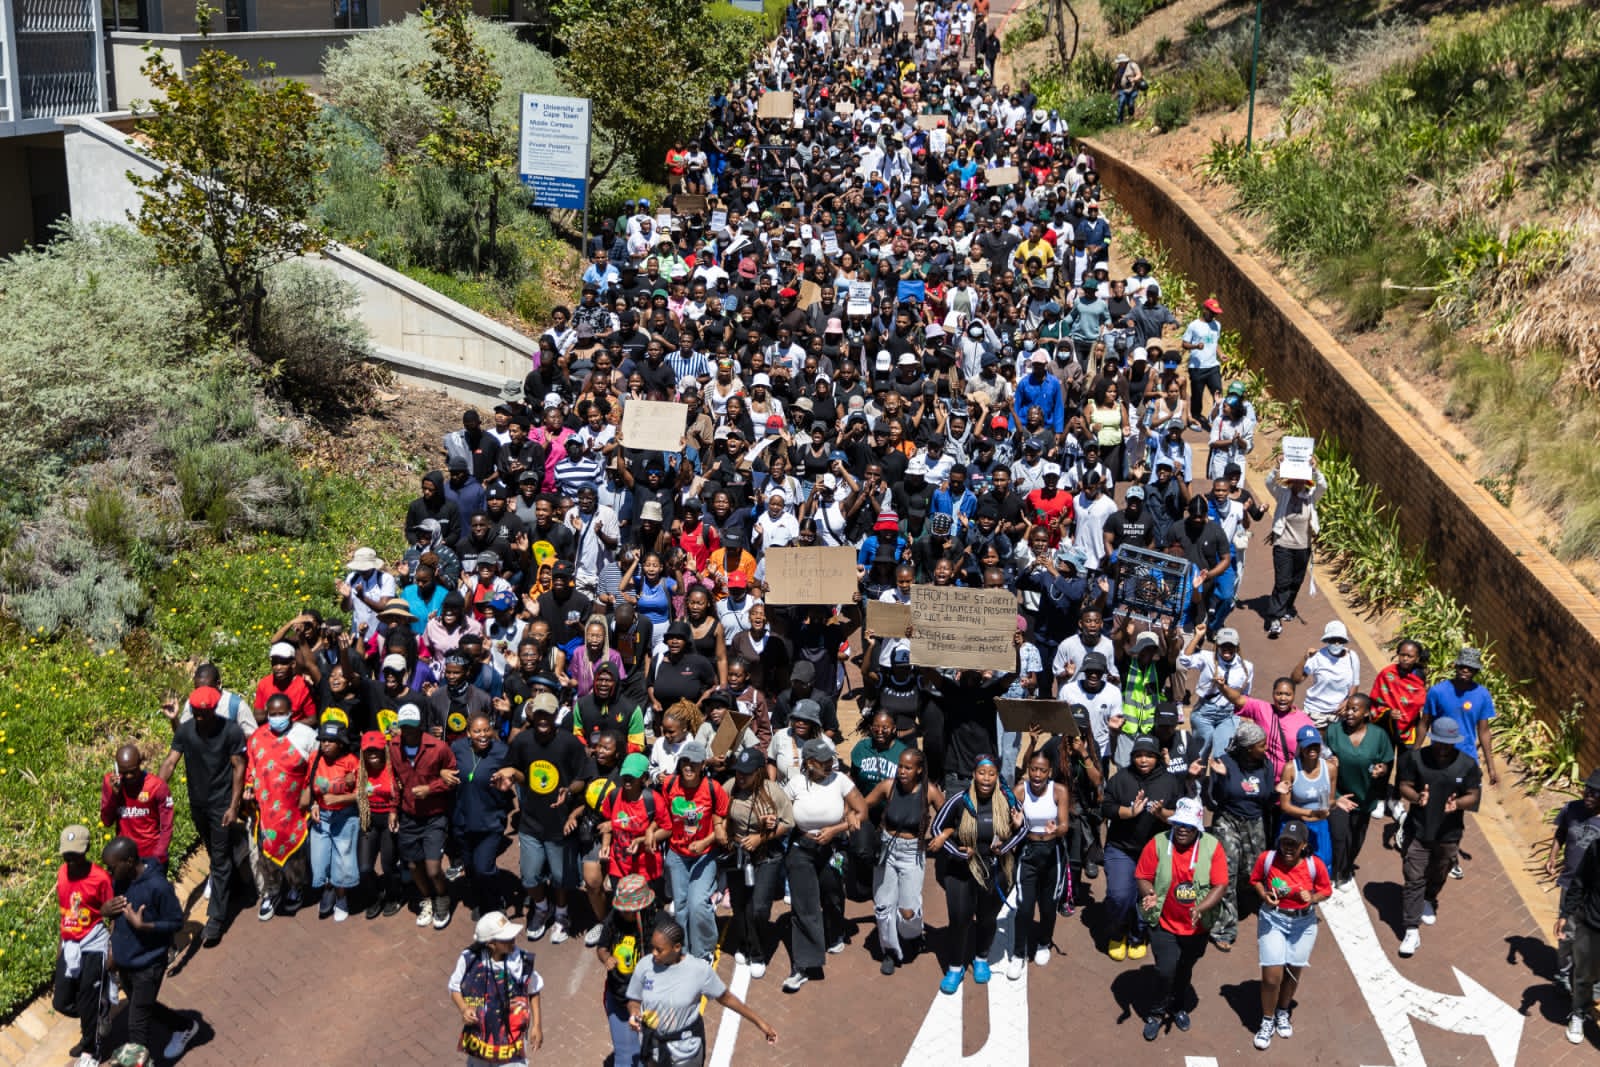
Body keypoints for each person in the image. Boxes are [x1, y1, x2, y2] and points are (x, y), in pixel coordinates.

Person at [495, 693, 588, 942]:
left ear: (556, 715)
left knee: (559, 877)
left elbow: (582, 778)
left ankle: (561, 914)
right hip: (531, 822)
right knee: (529, 875)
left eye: (548, 714)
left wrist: (569, 790)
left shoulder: (570, 744)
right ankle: (542, 907)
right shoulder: (522, 741)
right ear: (532, 715)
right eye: (539, 714)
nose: (543, 719)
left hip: (560, 823)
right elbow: (519, 773)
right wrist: (510, 774)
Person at [929, 754, 1025, 993]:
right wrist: (961, 854)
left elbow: (1024, 829)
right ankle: (955, 966)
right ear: (974, 774)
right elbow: (936, 827)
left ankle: (981, 957)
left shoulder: (1007, 798)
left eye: (991, 773)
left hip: (995, 868)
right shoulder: (959, 801)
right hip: (961, 870)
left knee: (987, 917)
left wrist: (1004, 845)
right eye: (982, 773)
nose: (986, 778)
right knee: (959, 918)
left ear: (996, 776)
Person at [158, 685, 245, 947]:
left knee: (218, 859)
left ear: (214, 710)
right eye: (195, 712)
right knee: (215, 850)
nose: (199, 718)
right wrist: (155, 792)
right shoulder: (186, 730)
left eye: (204, 713)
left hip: (221, 804)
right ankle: (237, 878)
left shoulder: (231, 731)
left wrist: (233, 806)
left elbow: (239, 769)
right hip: (198, 804)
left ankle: (215, 921)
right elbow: (170, 762)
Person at [1135, 797, 1227, 1041]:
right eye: (1178, 824)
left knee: (1185, 969)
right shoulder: (1157, 843)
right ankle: (1155, 1012)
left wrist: (1201, 908)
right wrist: (1150, 894)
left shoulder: (1213, 847)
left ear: (1197, 827)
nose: (1182, 829)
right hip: (1165, 923)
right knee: (1166, 969)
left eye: (1188, 825)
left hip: (1197, 928)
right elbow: (1143, 876)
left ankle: (1177, 1006)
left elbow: (1220, 885)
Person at [100, 836, 199, 1063]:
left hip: (148, 965)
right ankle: (184, 1026)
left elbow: (176, 922)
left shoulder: (158, 887)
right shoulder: (120, 879)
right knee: (144, 1008)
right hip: (126, 962)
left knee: (136, 1028)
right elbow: (115, 913)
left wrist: (144, 926)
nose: (109, 871)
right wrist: (105, 910)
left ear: (129, 861)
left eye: (112, 866)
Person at [627, 918, 778, 1065]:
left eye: (659, 950)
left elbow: (726, 998)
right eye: (652, 947)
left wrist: (760, 1022)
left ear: (677, 947)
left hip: (685, 1054)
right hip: (653, 1049)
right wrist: (634, 1012)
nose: (653, 953)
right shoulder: (645, 965)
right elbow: (634, 999)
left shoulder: (699, 970)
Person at [782, 737, 867, 993]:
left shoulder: (840, 780)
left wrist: (837, 828)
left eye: (831, 759)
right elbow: (783, 814)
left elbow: (861, 810)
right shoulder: (795, 784)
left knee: (832, 893)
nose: (830, 764)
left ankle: (835, 930)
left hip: (832, 847)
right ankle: (804, 965)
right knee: (804, 905)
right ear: (809, 763)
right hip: (802, 849)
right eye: (823, 761)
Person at [1394, 717, 1481, 957]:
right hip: (1418, 830)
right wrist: (1416, 797)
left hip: (1448, 834)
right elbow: (1404, 785)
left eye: (1448, 743)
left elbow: (1473, 795)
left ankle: (1430, 897)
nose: (1443, 747)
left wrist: (1458, 804)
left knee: (1439, 870)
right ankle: (1411, 929)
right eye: (1439, 742)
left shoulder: (1467, 765)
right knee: (1413, 877)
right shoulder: (1416, 758)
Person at [1248, 819, 1333, 1050]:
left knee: (1293, 972)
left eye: (1293, 844)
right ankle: (1267, 1021)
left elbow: (1326, 890)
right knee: (1271, 975)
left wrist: (1313, 898)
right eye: (1284, 842)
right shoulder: (1267, 859)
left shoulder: (1315, 865)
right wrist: (1264, 895)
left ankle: (1282, 1011)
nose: (1287, 848)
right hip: (1273, 919)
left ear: (1304, 845)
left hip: (1303, 923)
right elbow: (1255, 880)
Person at [862, 747, 944, 975]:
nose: (902, 771)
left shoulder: (929, 791)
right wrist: (852, 816)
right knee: (883, 907)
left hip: (912, 853)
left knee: (908, 910)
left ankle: (912, 935)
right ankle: (889, 951)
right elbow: (862, 805)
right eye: (900, 766)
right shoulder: (888, 786)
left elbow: (949, 817)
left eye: (908, 768)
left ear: (919, 770)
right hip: (887, 850)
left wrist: (943, 836)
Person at [1099, 735, 1181, 961]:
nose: (1143, 760)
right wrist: (1130, 812)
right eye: (1138, 755)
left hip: (1155, 852)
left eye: (1149, 756)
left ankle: (1138, 936)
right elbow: (1106, 807)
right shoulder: (1121, 778)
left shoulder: (1171, 781)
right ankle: (1118, 934)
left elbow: (1183, 814)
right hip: (1121, 848)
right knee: (1119, 895)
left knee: (1148, 897)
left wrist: (1162, 814)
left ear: (1157, 758)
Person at [723, 747, 795, 979]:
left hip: (766, 856)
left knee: (759, 908)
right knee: (739, 904)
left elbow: (788, 823)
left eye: (747, 773)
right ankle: (744, 944)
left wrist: (762, 836)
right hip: (737, 853)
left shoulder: (773, 792)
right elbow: (718, 812)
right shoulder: (729, 787)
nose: (741, 777)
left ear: (759, 772)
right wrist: (721, 832)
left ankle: (758, 953)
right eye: (738, 772)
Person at [655, 740, 729, 962]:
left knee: (698, 905)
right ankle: (684, 950)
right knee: (681, 908)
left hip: (704, 856)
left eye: (694, 763)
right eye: (685, 761)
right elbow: (662, 818)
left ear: (702, 765)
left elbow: (723, 820)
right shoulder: (669, 785)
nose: (689, 767)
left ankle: (704, 951)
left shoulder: (712, 788)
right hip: (677, 855)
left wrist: (706, 841)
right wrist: (651, 833)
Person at [389, 702, 459, 930]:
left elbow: (453, 778)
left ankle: (442, 897)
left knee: (433, 868)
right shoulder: (394, 746)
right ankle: (426, 899)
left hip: (433, 816)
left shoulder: (438, 748)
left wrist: (431, 788)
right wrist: (393, 809)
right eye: (404, 727)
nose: (408, 731)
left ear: (420, 726)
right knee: (413, 866)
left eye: (412, 726)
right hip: (409, 815)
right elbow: (394, 781)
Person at [449, 911, 544, 1066]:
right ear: (491, 943)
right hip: (479, 1042)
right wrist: (464, 1008)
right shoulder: (469, 959)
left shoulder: (520, 960)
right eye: (506, 938)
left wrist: (537, 1026)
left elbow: (534, 990)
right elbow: (454, 987)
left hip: (511, 1044)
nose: (513, 939)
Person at [54, 825, 112, 1067]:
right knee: (62, 1001)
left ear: (86, 849)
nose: (70, 860)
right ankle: (97, 1012)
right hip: (70, 942)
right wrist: (61, 943)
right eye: (66, 854)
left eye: (74, 854)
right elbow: (65, 912)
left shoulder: (100, 878)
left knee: (87, 997)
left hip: (93, 942)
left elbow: (114, 912)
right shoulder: (61, 873)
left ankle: (92, 1049)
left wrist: (112, 950)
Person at [1324, 694, 1394, 887]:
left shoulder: (1379, 736)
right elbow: (1323, 760)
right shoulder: (1334, 731)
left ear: (1366, 713)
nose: (1349, 713)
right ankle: (1333, 874)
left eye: (1355, 709)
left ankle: (1345, 871)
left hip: (1365, 798)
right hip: (1339, 795)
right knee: (1339, 837)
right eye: (1348, 708)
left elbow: (1386, 762)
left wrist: (1382, 770)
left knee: (1355, 839)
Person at [450, 712, 514, 920]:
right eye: (477, 731)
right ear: (469, 733)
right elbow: (445, 767)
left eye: (486, 729)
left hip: (490, 821)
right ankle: (480, 900)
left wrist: (507, 783)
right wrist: (443, 773)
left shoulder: (502, 752)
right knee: (470, 868)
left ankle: (495, 903)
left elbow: (516, 776)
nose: (483, 735)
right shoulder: (458, 748)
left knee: (484, 867)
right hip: (462, 820)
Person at [1012, 747, 1071, 972]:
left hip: (1052, 852)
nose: (1037, 775)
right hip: (1027, 852)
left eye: (1042, 771)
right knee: (1025, 908)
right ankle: (1019, 953)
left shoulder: (1059, 791)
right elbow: (1010, 824)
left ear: (1050, 772)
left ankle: (1044, 943)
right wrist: (1015, 824)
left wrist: (1055, 831)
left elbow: (1064, 825)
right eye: (1033, 769)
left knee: (1048, 907)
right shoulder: (1020, 790)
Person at [597, 874, 659, 1066]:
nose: (624, 913)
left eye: (629, 910)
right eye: (622, 909)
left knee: (651, 1055)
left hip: (649, 1002)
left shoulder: (659, 927)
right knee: (626, 1057)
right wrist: (606, 958)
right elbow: (601, 947)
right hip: (619, 997)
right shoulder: (614, 918)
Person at [1548, 769, 1600, 993]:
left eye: (1595, 793)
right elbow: (1561, 833)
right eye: (1587, 789)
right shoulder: (1572, 809)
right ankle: (1564, 971)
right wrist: (1552, 857)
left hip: (1594, 892)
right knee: (1566, 932)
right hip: (1570, 884)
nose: (1588, 795)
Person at [1262, 458, 1325, 638]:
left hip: (1303, 546)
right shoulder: (1282, 494)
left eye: (1301, 480)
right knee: (1282, 582)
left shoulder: (1311, 496)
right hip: (1283, 545)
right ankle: (1275, 618)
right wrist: (1277, 467)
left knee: (1296, 581)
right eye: (1295, 480)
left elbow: (1323, 486)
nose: (1298, 483)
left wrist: (1315, 469)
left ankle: (1288, 606)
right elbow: (1268, 482)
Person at [306, 721, 363, 922]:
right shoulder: (314, 758)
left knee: (342, 860)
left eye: (331, 741)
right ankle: (327, 889)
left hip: (345, 817)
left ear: (341, 743)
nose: (326, 744)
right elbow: (309, 785)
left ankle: (341, 898)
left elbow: (362, 794)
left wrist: (339, 798)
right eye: (323, 740)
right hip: (321, 816)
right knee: (320, 860)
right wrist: (314, 804)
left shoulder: (351, 762)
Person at [1421, 646, 1500, 788]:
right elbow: (1424, 723)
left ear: (1476, 671)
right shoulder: (1437, 691)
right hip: (1439, 756)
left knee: (1459, 803)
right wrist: (1414, 754)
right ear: (1456, 666)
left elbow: (1484, 731)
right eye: (1462, 666)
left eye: (1470, 668)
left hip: (1466, 757)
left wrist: (1491, 767)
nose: (1465, 670)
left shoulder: (1482, 695)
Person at [1557, 792, 1600, 1045]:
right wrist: (1565, 914)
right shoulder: (1597, 848)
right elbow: (1580, 882)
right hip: (1593, 922)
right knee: (1584, 973)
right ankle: (1579, 1014)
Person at [100, 744, 175, 874]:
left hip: (150, 856)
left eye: (132, 771)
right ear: (117, 768)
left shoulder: (156, 786)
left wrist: (158, 857)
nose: (128, 776)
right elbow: (106, 821)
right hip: (123, 859)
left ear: (140, 763)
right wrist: (114, 795)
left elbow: (167, 826)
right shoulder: (110, 783)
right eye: (124, 772)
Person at [1277, 724, 1335, 869]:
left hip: (1319, 824)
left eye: (1315, 745)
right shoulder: (1290, 768)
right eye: (1307, 746)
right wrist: (1309, 813)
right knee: (1290, 862)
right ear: (1300, 747)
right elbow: (1285, 805)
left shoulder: (1331, 768)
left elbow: (1331, 799)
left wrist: (1331, 806)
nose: (1312, 749)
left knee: (1323, 862)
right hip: (1295, 824)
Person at [1291, 622, 1361, 728]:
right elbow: (1296, 680)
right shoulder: (1317, 657)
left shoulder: (1352, 657)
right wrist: (1305, 658)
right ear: (1327, 640)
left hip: (1339, 714)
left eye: (1340, 639)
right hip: (1316, 712)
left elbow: (1355, 684)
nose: (1337, 643)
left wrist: (1348, 701)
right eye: (1333, 639)